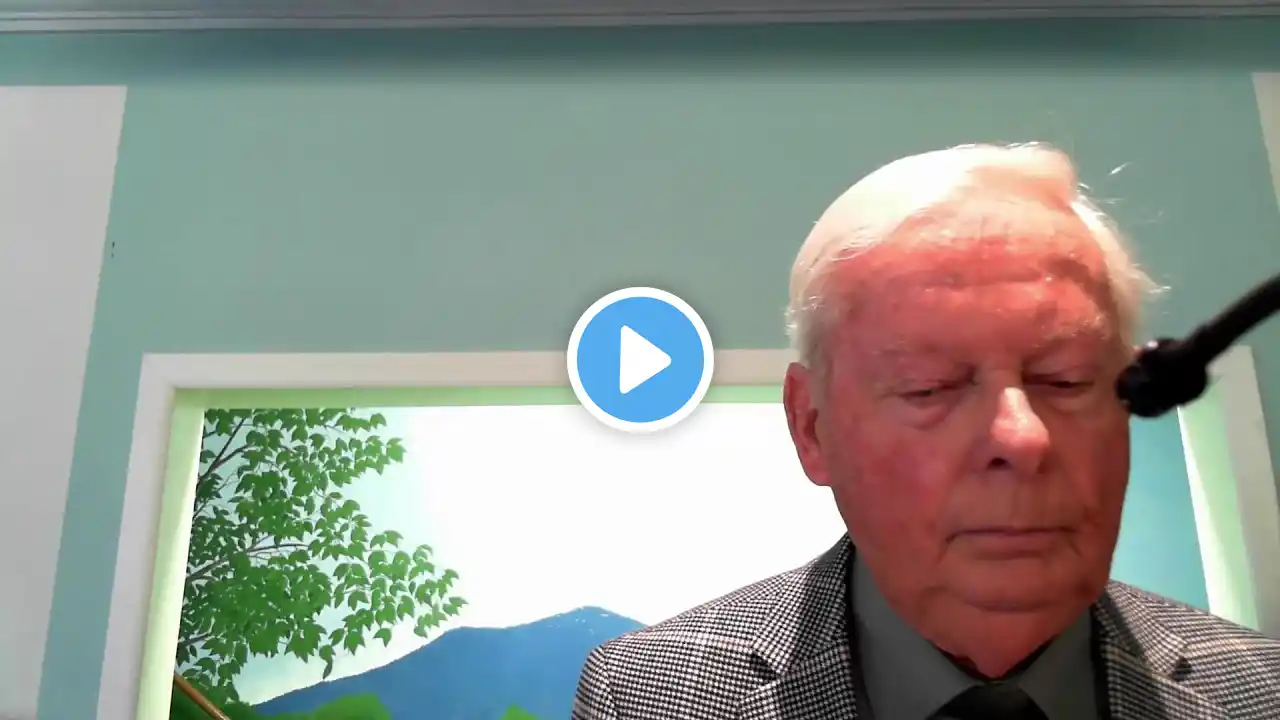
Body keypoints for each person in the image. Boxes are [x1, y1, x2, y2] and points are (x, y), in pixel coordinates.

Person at [570, 144, 1280, 720]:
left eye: (1066, 380)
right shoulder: (648, 700)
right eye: (929, 387)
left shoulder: (1262, 694)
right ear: (811, 426)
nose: (1023, 438)